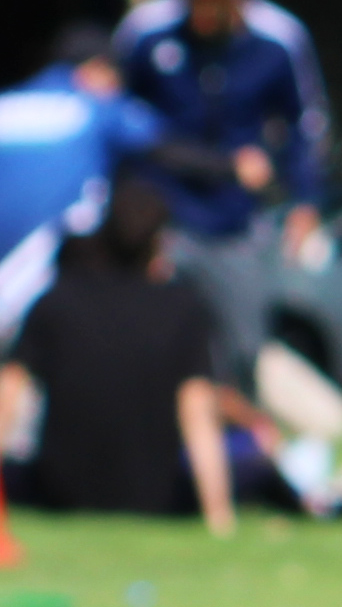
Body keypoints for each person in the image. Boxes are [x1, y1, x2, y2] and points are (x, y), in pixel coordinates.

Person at [107, 0, 328, 398]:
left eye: (216, 4)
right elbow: (121, 120)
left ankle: (239, 453)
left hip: (236, 221)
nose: (205, 16)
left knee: (243, 348)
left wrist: (307, 201)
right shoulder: (148, 33)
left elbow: (305, 124)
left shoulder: (278, 40)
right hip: (163, 216)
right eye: (196, 4)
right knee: (150, 342)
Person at [6, 180, 277, 530]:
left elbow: (9, 394)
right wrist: (219, 516)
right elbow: (195, 409)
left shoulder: (56, 301)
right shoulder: (181, 308)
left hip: (59, 493)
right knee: (254, 464)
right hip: (153, 497)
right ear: (158, 241)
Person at [0, 34, 164, 350]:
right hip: (41, 280)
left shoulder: (6, 103)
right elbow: (161, 144)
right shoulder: (96, 108)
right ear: (93, 70)